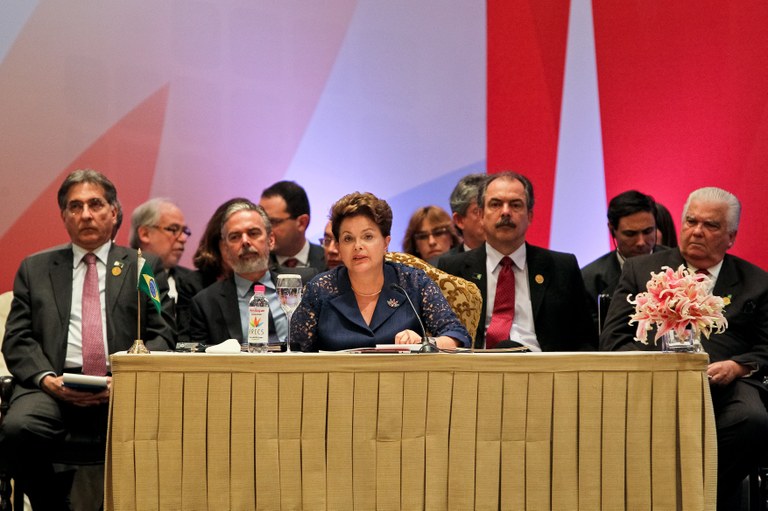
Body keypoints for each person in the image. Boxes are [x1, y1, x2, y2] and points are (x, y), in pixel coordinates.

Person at [0, 169, 175, 509]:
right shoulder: (35, 268)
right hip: (53, 384)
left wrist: (124, 380)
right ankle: (52, 503)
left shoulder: (144, 265)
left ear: (113, 211)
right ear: (64, 216)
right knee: (18, 428)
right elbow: (17, 338)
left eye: (95, 204)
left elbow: (164, 332)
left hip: (123, 386)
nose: (86, 214)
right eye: (74, 206)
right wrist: (47, 381)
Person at [600, 187, 768, 509]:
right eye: (691, 221)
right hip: (650, 382)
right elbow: (613, 339)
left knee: (753, 421)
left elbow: (765, 347)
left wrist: (737, 366)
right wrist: (657, 366)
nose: (697, 231)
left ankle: (697, 498)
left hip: (724, 386)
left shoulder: (756, 283)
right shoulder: (641, 271)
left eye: (711, 226)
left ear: (731, 236)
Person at [292, 192, 471, 351]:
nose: (358, 246)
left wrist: (425, 343)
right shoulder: (320, 289)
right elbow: (295, 351)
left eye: (368, 236)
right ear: (338, 246)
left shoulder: (413, 282)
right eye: (348, 239)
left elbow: (457, 335)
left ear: (386, 243)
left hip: (404, 385)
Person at [438, 172, 596, 351]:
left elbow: (585, 340)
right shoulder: (452, 269)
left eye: (515, 205)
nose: (505, 212)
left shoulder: (562, 267)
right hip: (476, 371)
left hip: (544, 371)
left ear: (530, 215)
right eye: (496, 204)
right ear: (481, 215)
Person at [189, 200, 315, 347]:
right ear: (225, 249)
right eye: (235, 237)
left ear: (271, 240)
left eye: (253, 233)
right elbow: (199, 362)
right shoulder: (206, 304)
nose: (245, 242)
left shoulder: (305, 282)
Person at [581, 190, 663, 330]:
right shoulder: (589, 279)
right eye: (630, 234)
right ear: (612, 229)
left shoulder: (677, 264)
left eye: (648, 231)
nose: (641, 242)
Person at [129, 197, 192, 302]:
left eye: (185, 231)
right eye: (173, 229)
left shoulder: (191, 282)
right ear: (145, 234)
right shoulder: (117, 273)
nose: (183, 238)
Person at [259, 180, 326, 271]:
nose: (264, 230)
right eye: (261, 222)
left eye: (273, 221)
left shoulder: (330, 261)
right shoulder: (256, 264)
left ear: (302, 223)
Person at [447, 173, 487, 253]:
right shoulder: (441, 265)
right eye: (478, 211)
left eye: (493, 207)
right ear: (459, 220)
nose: (489, 215)